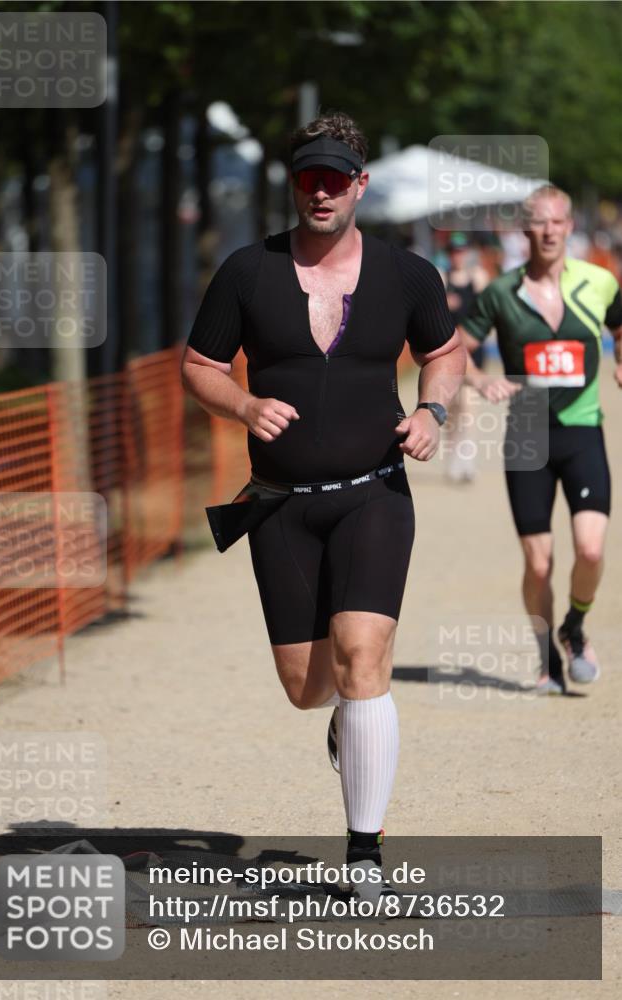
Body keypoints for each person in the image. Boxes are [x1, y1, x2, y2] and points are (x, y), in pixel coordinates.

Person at [181, 111, 465, 906]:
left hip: (373, 492)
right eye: (309, 176)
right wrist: (241, 406)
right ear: (293, 183)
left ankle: (363, 850)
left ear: (359, 186)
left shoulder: (407, 275)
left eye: (335, 178)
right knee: (308, 686)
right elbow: (197, 364)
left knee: (363, 657)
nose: (321, 191)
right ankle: (347, 720)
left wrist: (432, 413)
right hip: (278, 505)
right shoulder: (246, 271)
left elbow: (444, 352)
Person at [459, 184, 622, 694]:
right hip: (527, 432)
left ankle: (575, 626)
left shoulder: (599, 281)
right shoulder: (500, 292)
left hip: (583, 427)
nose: (549, 231)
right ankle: (546, 655)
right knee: (539, 560)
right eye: (538, 222)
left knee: (591, 551)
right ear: (523, 230)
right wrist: (481, 379)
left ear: (570, 227)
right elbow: (452, 347)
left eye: (557, 221)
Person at [439, 233, 490, 482]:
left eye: (462, 251)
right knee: (452, 410)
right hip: (448, 353)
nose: (458, 256)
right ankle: (453, 458)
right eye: (454, 251)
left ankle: (466, 462)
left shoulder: (478, 277)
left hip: (472, 351)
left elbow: (487, 311)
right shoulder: (442, 277)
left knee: (469, 408)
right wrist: (443, 303)